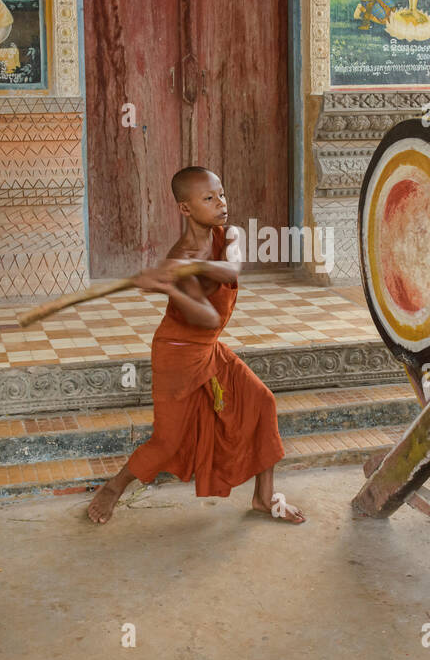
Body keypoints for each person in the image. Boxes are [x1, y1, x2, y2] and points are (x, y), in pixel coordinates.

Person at [86, 166, 305, 525]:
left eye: (222, 194)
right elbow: (207, 319)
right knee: (167, 442)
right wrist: (171, 284)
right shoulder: (180, 256)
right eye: (209, 198)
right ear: (185, 209)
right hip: (177, 354)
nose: (221, 203)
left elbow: (231, 270)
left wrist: (184, 271)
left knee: (261, 400)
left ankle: (264, 497)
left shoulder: (227, 234)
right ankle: (113, 487)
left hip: (208, 349)